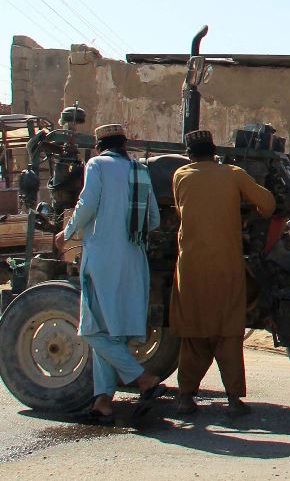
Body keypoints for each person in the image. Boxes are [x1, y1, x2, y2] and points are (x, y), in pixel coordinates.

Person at [60, 123, 164, 424]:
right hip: (134, 262)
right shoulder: (140, 170)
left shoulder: (96, 165)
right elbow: (153, 219)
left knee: (92, 330)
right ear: (124, 145)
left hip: (103, 262)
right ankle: (102, 402)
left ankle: (143, 378)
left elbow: (87, 203)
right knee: (110, 335)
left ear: (98, 146)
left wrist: (67, 232)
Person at [170, 130, 275, 416]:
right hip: (226, 265)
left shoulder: (181, 175)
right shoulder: (233, 174)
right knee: (228, 330)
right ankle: (233, 398)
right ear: (214, 150)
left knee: (193, 332)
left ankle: (185, 396)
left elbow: (181, 212)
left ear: (189, 154)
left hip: (190, 266)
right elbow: (267, 204)